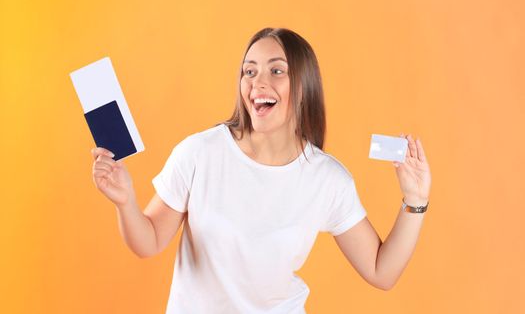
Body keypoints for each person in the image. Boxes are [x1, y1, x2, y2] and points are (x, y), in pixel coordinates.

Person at [90, 27, 432, 314]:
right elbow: (147, 242)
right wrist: (125, 201)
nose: (258, 82)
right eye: (249, 71)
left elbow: (380, 271)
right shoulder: (199, 153)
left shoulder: (326, 179)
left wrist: (415, 200)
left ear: (303, 87)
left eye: (276, 70)